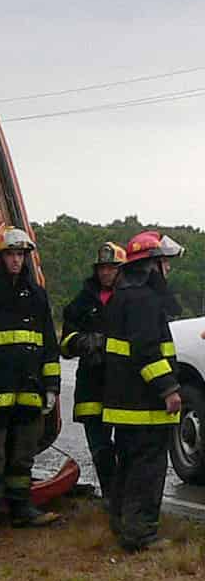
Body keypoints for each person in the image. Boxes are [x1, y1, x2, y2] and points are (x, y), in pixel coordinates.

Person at [0, 226, 61, 535]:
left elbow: (48, 344)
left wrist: (52, 387)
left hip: (29, 387)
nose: (16, 261)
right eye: (10, 255)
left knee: (23, 453)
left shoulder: (36, 294)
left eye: (20, 255)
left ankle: (21, 507)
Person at [101, 230, 184, 551]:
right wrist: (168, 389)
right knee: (146, 470)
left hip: (126, 404)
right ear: (152, 265)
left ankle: (123, 524)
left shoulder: (124, 295)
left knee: (129, 464)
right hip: (144, 404)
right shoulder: (145, 300)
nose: (168, 270)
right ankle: (140, 534)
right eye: (164, 263)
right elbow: (148, 351)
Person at [60, 242, 127, 505]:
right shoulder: (82, 302)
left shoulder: (130, 299)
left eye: (111, 268)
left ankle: (125, 494)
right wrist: (84, 342)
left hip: (123, 385)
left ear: (121, 270)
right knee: (99, 445)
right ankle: (110, 495)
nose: (105, 273)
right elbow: (65, 344)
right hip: (91, 383)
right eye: (102, 268)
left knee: (126, 446)